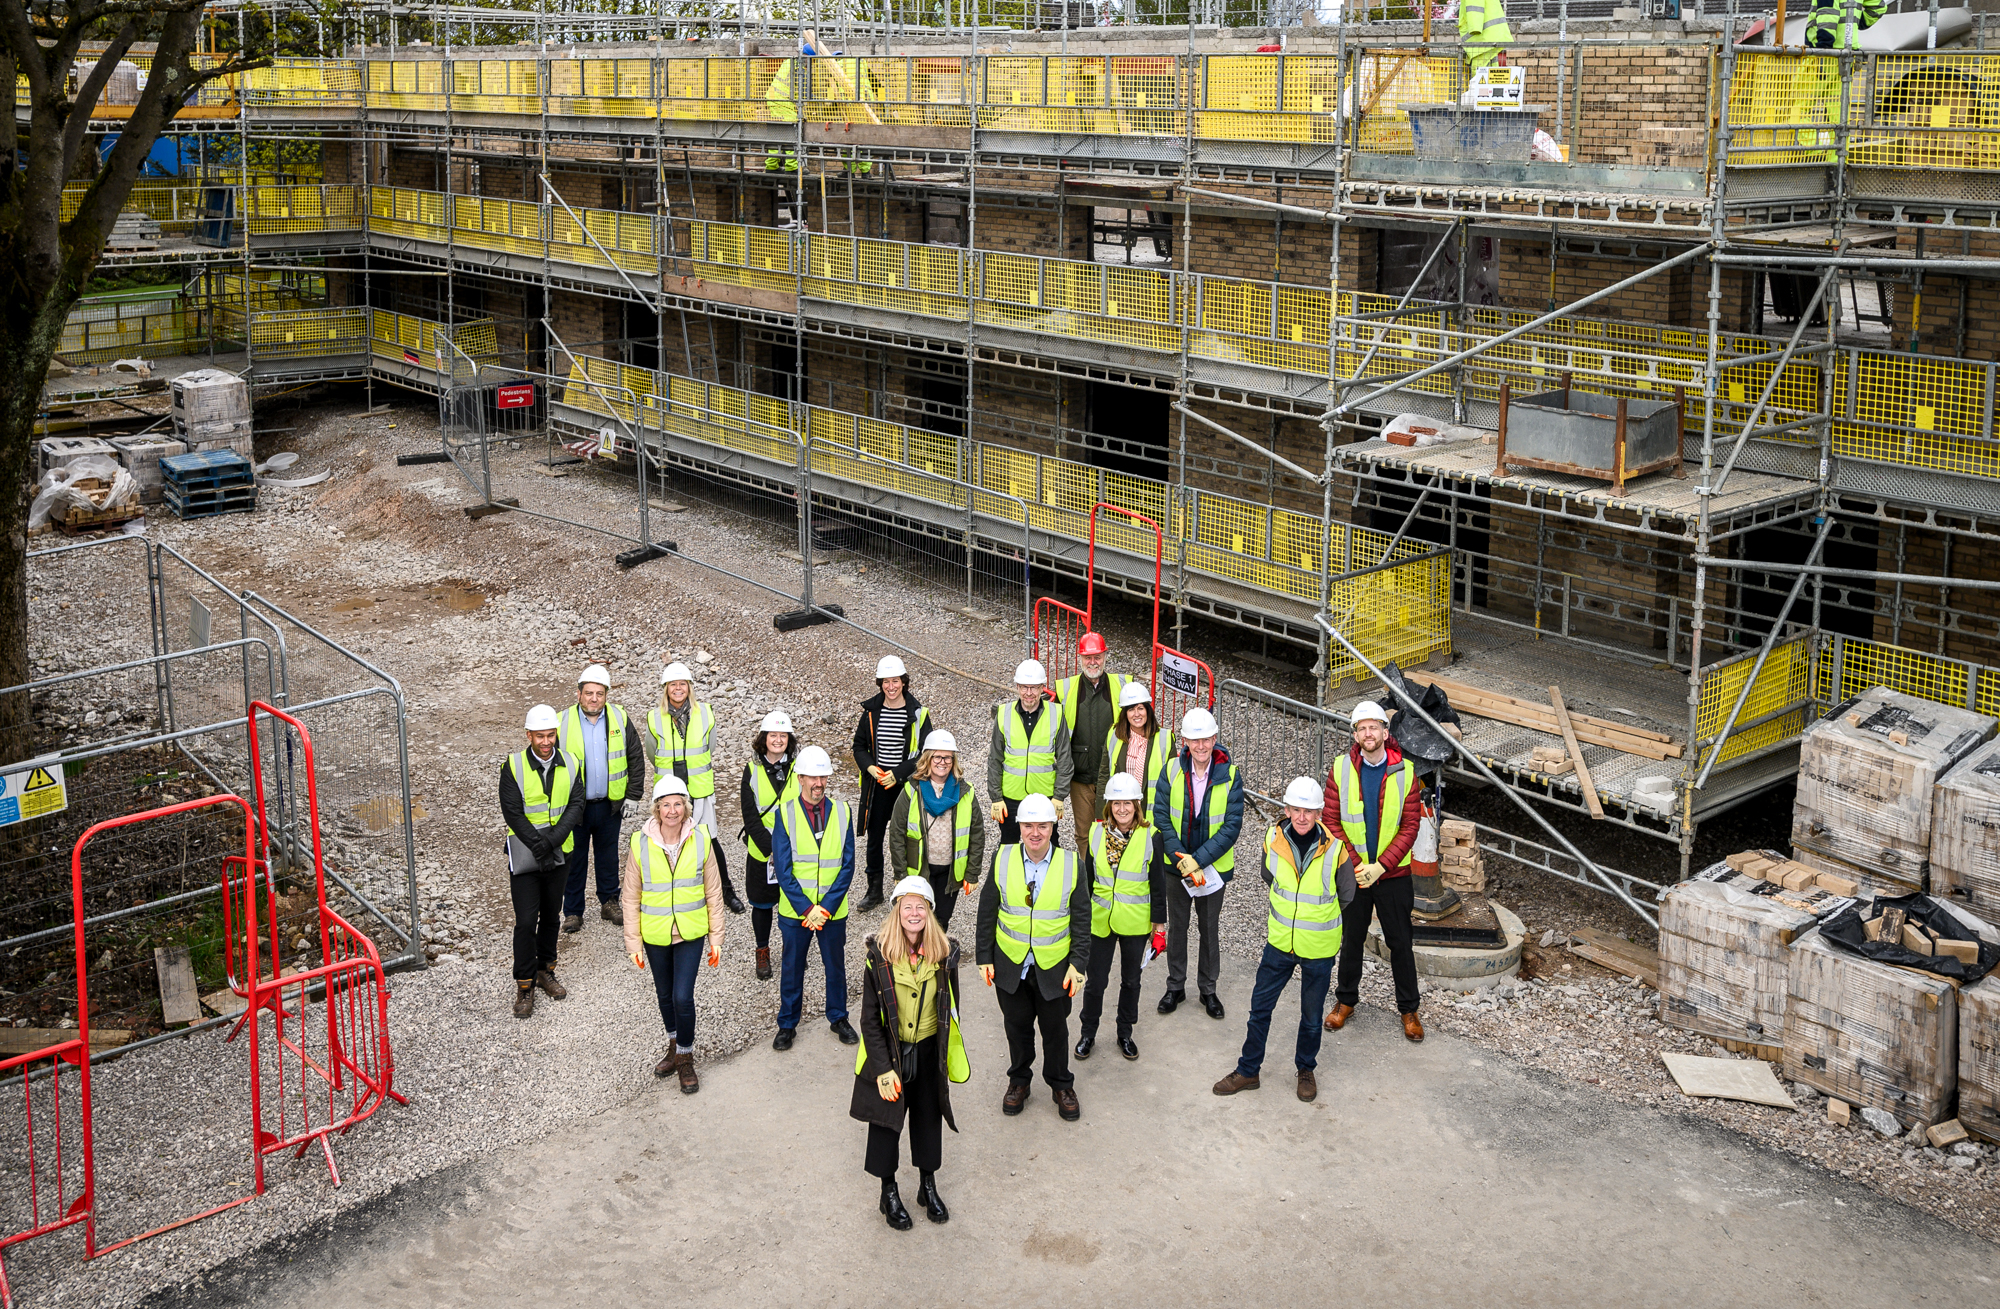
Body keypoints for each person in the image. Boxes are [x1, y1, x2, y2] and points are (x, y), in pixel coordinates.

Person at [1213, 777, 1343, 1103]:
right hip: (1280, 942)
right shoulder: (1272, 839)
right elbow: (1267, 875)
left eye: (1308, 811)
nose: (1301, 817)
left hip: (1318, 947)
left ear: (1319, 813)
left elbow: (1348, 895)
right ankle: (1248, 1070)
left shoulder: (1335, 851)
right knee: (1260, 1008)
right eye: (1296, 810)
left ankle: (1305, 1069)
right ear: (1286, 810)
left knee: (1312, 1018)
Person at [852, 875, 968, 1231]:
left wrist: (945, 1054)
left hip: (929, 1049)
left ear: (930, 912)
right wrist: (884, 1069)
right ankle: (888, 1192)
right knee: (886, 1124)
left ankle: (927, 1186)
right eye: (908, 906)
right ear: (897, 911)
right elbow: (870, 1019)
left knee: (928, 1120)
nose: (914, 912)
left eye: (921, 906)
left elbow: (951, 1007)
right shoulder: (879, 957)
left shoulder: (944, 954)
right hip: (890, 1052)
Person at [975, 793, 1091, 1122]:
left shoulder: (1071, 864)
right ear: (1020, 827)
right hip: (1010, 964)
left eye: (1042, 825)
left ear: (1053, 827)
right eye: (1029, 825)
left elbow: (1082, 920)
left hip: (1054, 968)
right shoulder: (1003, 857)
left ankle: (1060, 1084)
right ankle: (1019, 1081)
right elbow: (987, 910)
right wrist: (984, 956)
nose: (1035, 833)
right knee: (1017, 1027)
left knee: (1056, 1030)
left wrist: (1078, 965)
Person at [1323, 699, 1427, 1043]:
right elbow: (1332, 821)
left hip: (1393, 875)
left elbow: (1411, 824)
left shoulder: (1406, 771)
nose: (1368, 733)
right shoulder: (1340, 769)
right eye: (1361, 728)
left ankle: (1409, 1009)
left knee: (1400, 942)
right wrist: (1356, 866)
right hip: (1355, 875)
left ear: (1385, 731)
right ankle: (1345, 1001)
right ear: (1355, 734)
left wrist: (1381, 866)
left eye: (1374, 727)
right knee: (1351, 940)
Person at [622, 776, 725, 1092]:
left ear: (686, 807)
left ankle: (685, 1057)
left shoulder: (701, 840)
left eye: (678, 803)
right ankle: (673, 1042)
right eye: (665, 804)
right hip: (655, 934)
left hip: (690, 933)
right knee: (664, 995)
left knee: (682, 996)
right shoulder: (640, 844)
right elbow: (630, 896)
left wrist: (716, 938)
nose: (672, 810)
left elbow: (713, 892)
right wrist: (633, 943)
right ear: (656, 808)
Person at [1152, 706, 1244, 1021]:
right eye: (1195, 740)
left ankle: (1208, 989)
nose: (1201, 746)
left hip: (1211, 868)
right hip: (1176, 866)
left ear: (1215, 739)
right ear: (1185, 741)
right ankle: (1175, 986)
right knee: (1178, 928)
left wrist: (1199, 861)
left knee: (1209, 928)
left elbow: (1231, 826)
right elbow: (1161, 817)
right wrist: (1182, 859)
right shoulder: (1170, 771)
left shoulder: (1230, 775)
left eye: (1206, 739)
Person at [771, 744, 860, 1050]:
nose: (818, 783)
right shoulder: (785, 814)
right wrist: (808, 908)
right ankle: (787, 1024)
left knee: (835, 967)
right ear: (800, 779)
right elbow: (783, 869)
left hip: (832, 911)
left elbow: (847, 865)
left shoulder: (844, 812)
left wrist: (827, 907)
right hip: (797, 913)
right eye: (813, 777)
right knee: (792, 968)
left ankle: (838, 1017)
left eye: (823, 777)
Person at [499, 704, 584, 1019]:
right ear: (528, 735)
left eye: (550, 735)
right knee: (525, 921)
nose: (546, 742)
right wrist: (540, 846)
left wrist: (551, 843)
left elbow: (576, 805)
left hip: (559, 853)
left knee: (551, 915)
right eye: (540, 736)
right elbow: (513, 813)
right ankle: (524, 983)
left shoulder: (571, 763)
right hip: (525, 856)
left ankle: (545, 969)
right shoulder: (514, 766)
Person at [1075, 771, 1166, 1062]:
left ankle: (1125, 1033)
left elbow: (1158, 885)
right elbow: (1086, 880)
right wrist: (1078, 920)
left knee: (1131, 981)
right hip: (1100, 921)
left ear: (1137, 805)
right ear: (1109, 806)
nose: (1122, 809)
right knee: (1096, 982)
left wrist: (1159, 926)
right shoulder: (1096, 832)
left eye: (1128, 803)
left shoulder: (1151, 836)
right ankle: (1087, 1032)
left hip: (1135, 923)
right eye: (1116, 803)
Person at [647, 661, 745, 915]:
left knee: (710, 841)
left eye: (682, 684)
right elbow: (651, 752)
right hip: (670, 793)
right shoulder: (654, 717)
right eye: (673, 685)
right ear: (665, 688)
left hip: (699, 791)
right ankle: (673, 895)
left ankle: (726, 891)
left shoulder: (705, 713)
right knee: (669, 843)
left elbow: (708, 749)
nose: (677, 689)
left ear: (689, 687)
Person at [557, 664, 646, 934]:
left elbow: (635, 756)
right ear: (578, 694)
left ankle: (609, 902)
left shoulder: (618, 717)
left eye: (599, 693)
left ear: (606, 694)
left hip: (610, 805)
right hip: (575, 808)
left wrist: (633, 795)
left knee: (608, 857)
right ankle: (573, 912)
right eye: (589, 693)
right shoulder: (561, 722)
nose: (594, 698)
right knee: (574, 859)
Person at [852, 655, 934, 914]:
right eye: (886, 682)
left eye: (895, 681)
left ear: (904, 682)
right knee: (875, 837)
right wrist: (871, 768)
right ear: (880, 683)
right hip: (878, 785)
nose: (891, 686)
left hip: (905, 786)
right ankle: (874, 890)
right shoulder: (871, 711)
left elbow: (925, 751)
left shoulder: (918, 713)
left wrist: (898, 774)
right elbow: (858, 747)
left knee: (907, 836)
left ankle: (911, 885)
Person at [887, 730, 984, 934]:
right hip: (920, 870)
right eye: (937, 757)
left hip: (950, 871)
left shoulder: (965, 792)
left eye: (948, 757)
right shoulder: (911, 791)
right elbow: (896, 833)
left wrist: (972, 873)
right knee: (919, 921)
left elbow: (977, 835)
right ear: (928, 759)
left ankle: (937, 962)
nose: (943, 762)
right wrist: (900, 872)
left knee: (942, 921)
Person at [739, 709, 800, 983]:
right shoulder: (751, 770)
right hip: (762, 853)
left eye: (783, 735)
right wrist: (772, 849)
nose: (778, 740)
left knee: (793, 903)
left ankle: (792, 950)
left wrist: (787, 849)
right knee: (762, 905)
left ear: (789, 739)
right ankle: (762, 950)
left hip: (795, 850)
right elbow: (750, 817)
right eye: (773, 735)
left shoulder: (799, 769)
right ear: (764, 738)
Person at [986, 658, 1073, 847]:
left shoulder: (1056, 714)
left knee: (1048, 847)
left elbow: (1065, 758)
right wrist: (996, 797)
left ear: (1042, 688)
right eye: (1024, 687)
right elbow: (994, 759)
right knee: (1008, 847)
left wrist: (1059, 796)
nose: (1029, 693)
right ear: (1017, 687)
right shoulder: (1004, 713)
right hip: (1010, 798)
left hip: (1045, 797)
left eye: (1034, 687)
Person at [1053, 633, 1125, 848]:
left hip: (1112, 775)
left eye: (1097, 657)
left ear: (1105, 656)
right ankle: (1087, 878)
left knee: (1113, 831)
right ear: (1080, 658)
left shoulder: (1121, 686)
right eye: (1088, 657)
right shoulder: (1067, 689)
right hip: (1080, 778)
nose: (1093, 662)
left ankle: (1108, 877)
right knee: (1083, 834)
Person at [1094, 681, 1174, 800]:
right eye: (1131, 709)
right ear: (1125, 714)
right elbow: (1104, 774)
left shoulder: (1165, 738)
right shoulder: (1114, 735)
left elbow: (1172, 780)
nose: (1136, 714)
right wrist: (1101, 814)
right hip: (1121, 809)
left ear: (1147, 710)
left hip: (1151, 811)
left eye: (1140, 708)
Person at [1458, 0, 1512, 73]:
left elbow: (1475, 7)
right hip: (1493, 34)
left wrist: (1475, 28)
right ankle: (1493, 84)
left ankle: (1480, 84)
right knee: (1492, 67)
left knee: (1478, 70)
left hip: (1482, 38)